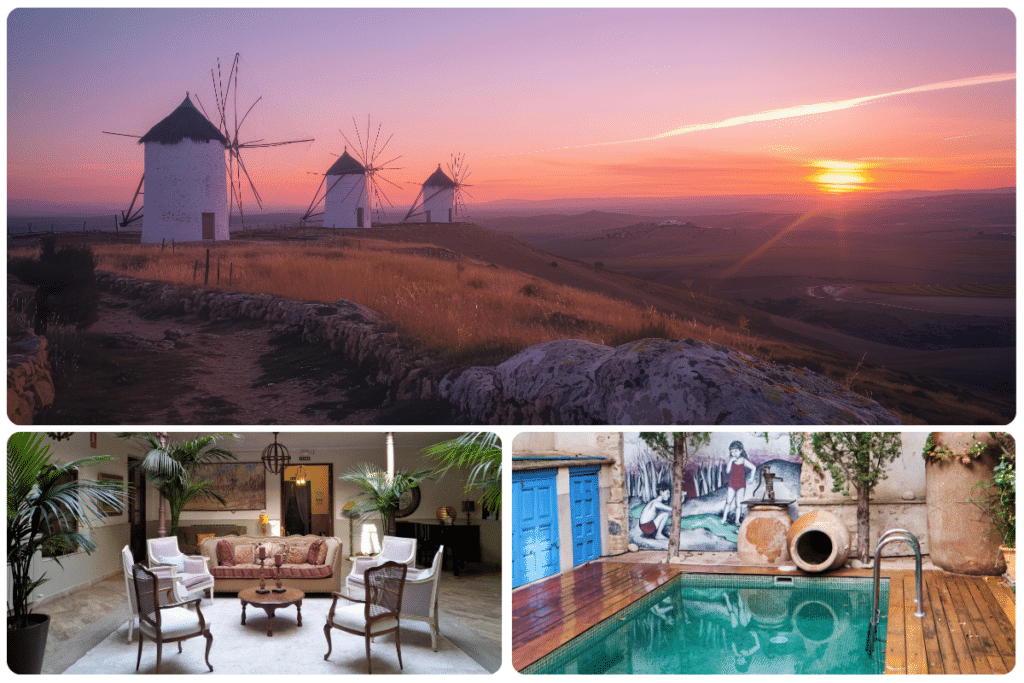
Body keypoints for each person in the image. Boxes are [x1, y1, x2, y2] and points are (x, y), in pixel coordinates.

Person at [721, 441, 754, 525]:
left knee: (738, 504)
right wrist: (731, 461)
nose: (734, 453)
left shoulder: (743, 460)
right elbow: (727, 471)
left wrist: (751, 478)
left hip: (741, 485)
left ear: (741, 450)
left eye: (735, 451)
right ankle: (724, 518)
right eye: (732, 452)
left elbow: (753, 468)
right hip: (732, 484)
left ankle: (737, 520)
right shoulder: (731, 460)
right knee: (728, 502)